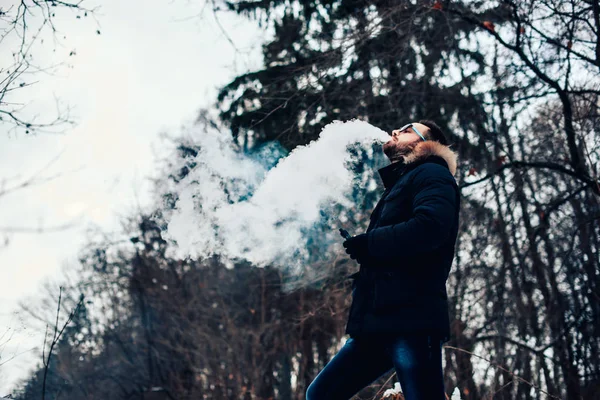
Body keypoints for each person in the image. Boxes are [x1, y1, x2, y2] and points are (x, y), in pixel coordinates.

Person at [306, 120, 460, 400]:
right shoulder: (403, 183)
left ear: (425, 142)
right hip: (376, 322)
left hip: (411, 318)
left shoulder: (432, 174)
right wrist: (367, 251)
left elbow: (430, 227)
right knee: (320, 394)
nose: (394, 131)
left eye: (405, 129)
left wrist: (370, 243)